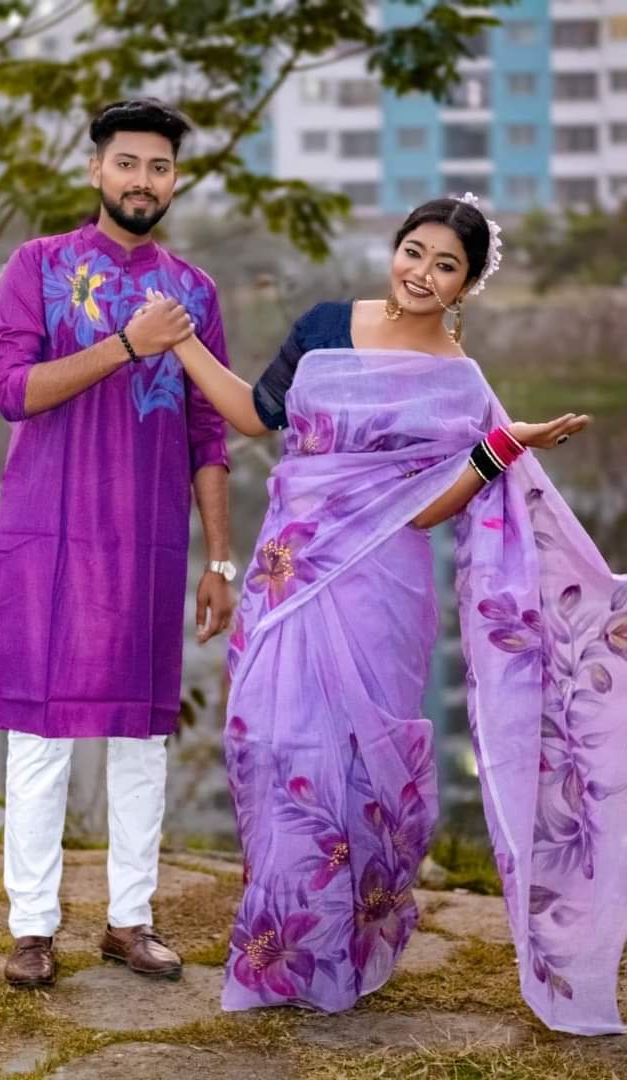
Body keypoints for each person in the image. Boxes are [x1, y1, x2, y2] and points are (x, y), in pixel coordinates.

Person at [153, 194, 627, 1036]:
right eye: (415, 251)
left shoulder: (459, 380)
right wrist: (182, 340)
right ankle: (286, 950)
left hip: (381, 591)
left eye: (446, 266)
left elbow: (424, 511)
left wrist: (503, 446)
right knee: (272, 747)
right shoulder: (325, 326)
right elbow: (254, 416)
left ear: (466, 286)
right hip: (288, 578)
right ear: (395, 248)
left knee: (362, 764)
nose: (422, 273)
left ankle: (343, 949)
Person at [0, 98, 237, 989]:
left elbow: (210, 432)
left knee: (140, 738)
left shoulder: (194, 292)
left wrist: (219, 559)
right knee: (37, 734)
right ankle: (31, 928)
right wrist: (128, 343)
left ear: (174, 180)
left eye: (159, 167)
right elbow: (11, 390)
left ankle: (130, 920)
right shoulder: (39, 265)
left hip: (147, 543)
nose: (142, 180)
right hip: (45, 537)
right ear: (96, 169)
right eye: (127, 162)